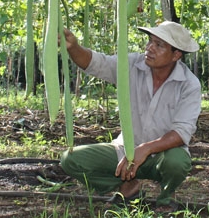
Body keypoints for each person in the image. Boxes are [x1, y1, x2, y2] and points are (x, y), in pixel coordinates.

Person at [60, 21, 201, 212]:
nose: (150, 48)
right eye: (150, 41)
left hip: (162, 156)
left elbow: (181, 132)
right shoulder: (132, 64)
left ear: (176, 55)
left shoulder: (189, 84)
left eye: (159, 45)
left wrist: (146, 149)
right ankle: (128, 187)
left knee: (178, 161)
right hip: (124, 152)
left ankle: (167, 198)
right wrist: (74, 47)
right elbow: (96, 63)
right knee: (71, 159)